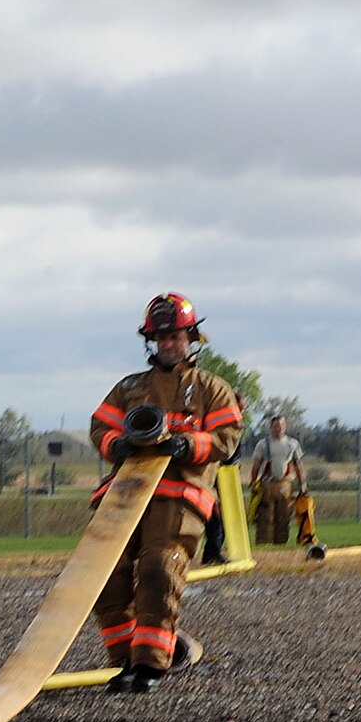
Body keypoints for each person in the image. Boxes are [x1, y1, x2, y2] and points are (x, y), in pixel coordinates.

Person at [88, 292, 244, 693]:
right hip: (124, 496)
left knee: (159, 568)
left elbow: (227, 438)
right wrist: (115, 445)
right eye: (160, 337)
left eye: (174, 335)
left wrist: (189, 445)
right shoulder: (130, 388)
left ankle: (152, 666)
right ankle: (126, 662)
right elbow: (100, 426)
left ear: (190, 337)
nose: (167, 343)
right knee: (105, 574)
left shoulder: (212, 389)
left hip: (179, 497)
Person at [247, 413, 307, 546]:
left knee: (283, 517)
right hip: (267, 484)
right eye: (275, 426)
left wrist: (302, 484)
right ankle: (263, 543)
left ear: (285, 426)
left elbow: (298, 465)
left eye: (281, 425)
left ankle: (280, 544)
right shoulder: (263, 444)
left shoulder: (293, 444)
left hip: (285, 485)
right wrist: (254, 483)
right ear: (271, 427)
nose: (278, 428)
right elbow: (256, 464)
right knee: (265, 516)